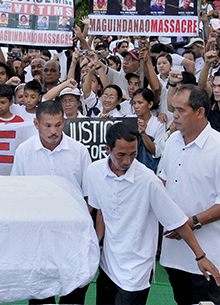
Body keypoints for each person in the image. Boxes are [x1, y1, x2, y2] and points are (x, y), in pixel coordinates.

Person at [85, 122, 220, 305]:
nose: (127, 161)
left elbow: (177, 221)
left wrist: (200, 256)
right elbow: (101, 211)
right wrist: (94, 245)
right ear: (107, 149)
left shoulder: (148, 180)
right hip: (108, 266)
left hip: (136, 271)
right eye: (121, 155)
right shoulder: (94, 171)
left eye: (133, 154)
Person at [11, 100, 92, 304]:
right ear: (36, 124)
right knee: (41, 294)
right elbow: (17, 193)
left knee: (73, 292)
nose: (53, 131)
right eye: (47, 125)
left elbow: (90, 196)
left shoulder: (79, 151)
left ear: (64, 121)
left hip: (72, 234)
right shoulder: (24, 151)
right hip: (38, 234)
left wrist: (82, 226)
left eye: (57, 124)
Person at [159, 84, 220, 304]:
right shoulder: (173, 141)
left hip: (209, 255)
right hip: (174, 254)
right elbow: (164, 182)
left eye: (181, 110)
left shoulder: (218, 147)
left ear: (200, 112)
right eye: (173, 109)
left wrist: (189, 223)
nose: (174, 115)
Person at [132, 88, 165, 173]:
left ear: (150, 104)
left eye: (140, 103)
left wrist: (143, 134)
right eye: (134, 103)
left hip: (149, 171)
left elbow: (157, 152)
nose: (136, 106)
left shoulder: (159, 124)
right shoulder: (128, 120)